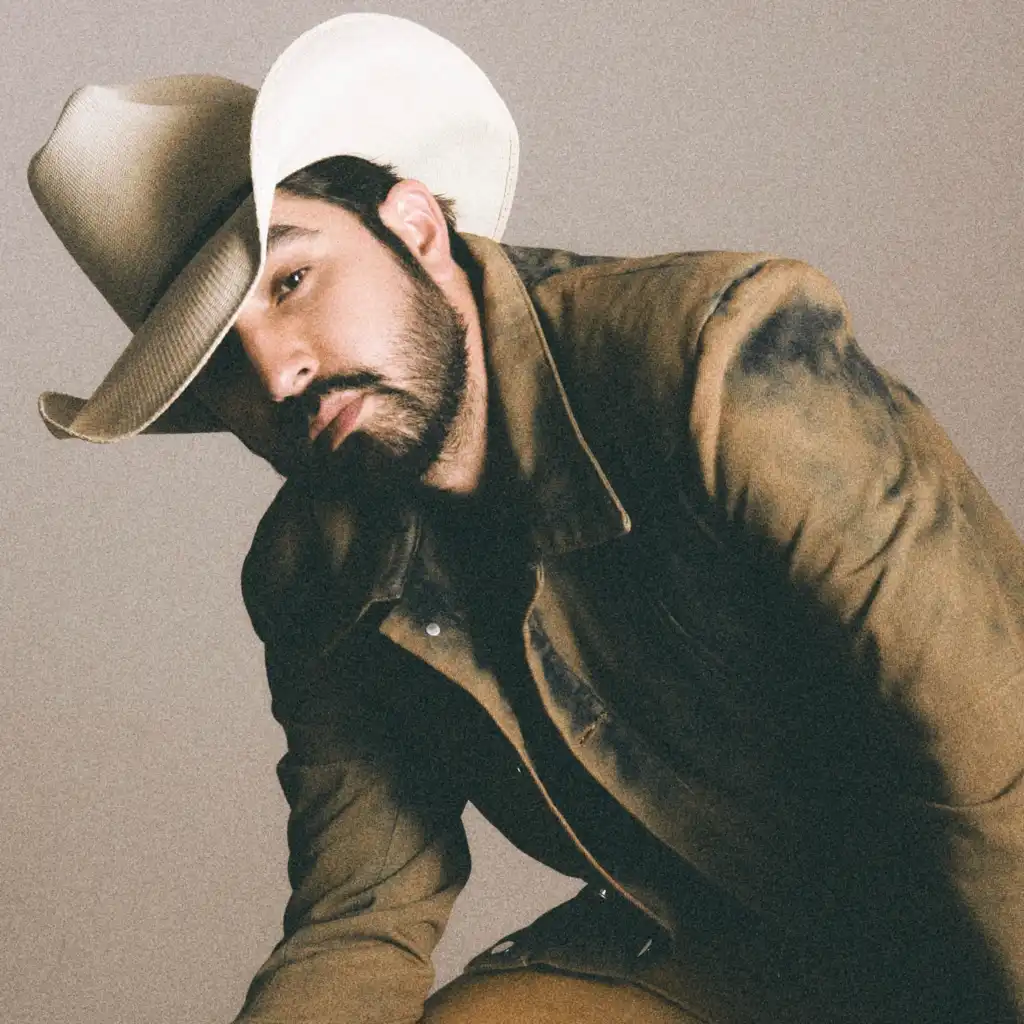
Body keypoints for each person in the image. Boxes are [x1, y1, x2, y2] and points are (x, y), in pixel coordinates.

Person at [29, 12, 1024, 1024]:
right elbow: (359, 922)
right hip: (707, 950)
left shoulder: (714, 360)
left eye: (291, 281)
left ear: (415, 226)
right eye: (219, 364)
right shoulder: (312, 570)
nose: (278, 371)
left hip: (960, 905)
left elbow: (994, 764)